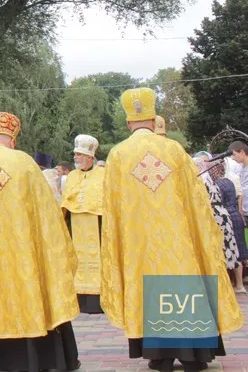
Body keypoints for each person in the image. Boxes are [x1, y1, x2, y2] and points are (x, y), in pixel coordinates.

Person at [101, 88, 243, 371]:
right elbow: (197, 201)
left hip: (139, 244)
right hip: (179, 242)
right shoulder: (174, 150)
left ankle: (160, 356)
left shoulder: (117, 155)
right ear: (154, 121)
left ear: (129, 123)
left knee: (148, 288)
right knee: (182, 284)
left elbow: (111, 207)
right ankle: (193, 355)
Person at [0, 112, 80, 372]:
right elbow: (47, 216)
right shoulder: (25, 164)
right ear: (13, 139)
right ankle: (37, 361)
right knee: (29, 299)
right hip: (23, 260)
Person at [60, 135, 106, 314]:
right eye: (75, 154)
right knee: (78, 262)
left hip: (97, 224)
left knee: (98, 261)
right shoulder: (71, 176)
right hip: (76, 224)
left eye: (79, 155)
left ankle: (98, 302)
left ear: (90, 157)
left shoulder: (102, 174)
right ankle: (80, 301)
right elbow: (67, 199)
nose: (75, 158)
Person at [192, 153, 242, 292]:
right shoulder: (210, 180)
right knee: (225, 250)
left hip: (213, 217)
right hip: (222, 215)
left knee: (216, 250)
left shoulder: (200, 183)